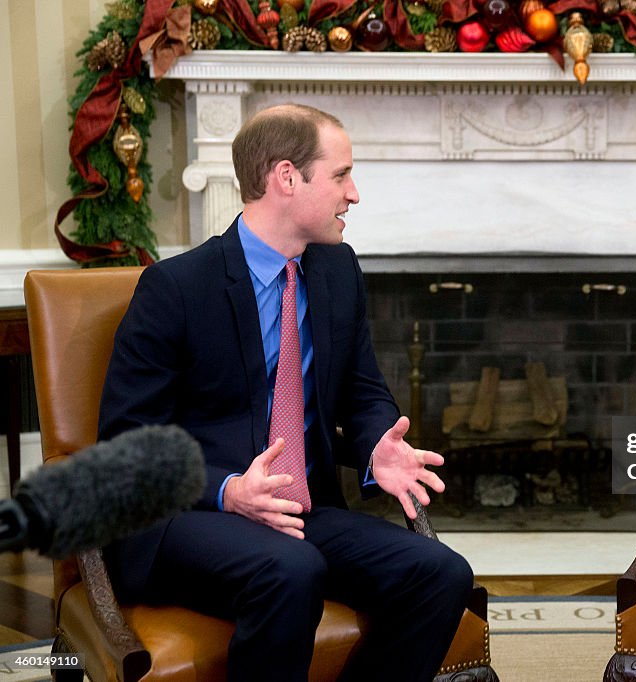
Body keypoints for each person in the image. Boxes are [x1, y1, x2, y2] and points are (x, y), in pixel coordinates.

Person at [99, 103, 473, 682]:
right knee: (291, 569)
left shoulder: (336, 270)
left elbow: (364, 392)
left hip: (301, 507)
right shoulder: (175, 288)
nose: (355, 194)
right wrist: (228, 491)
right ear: (287, 178)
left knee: (441, 572)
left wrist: (377, 444)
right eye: (342, 175)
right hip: (190, 514)